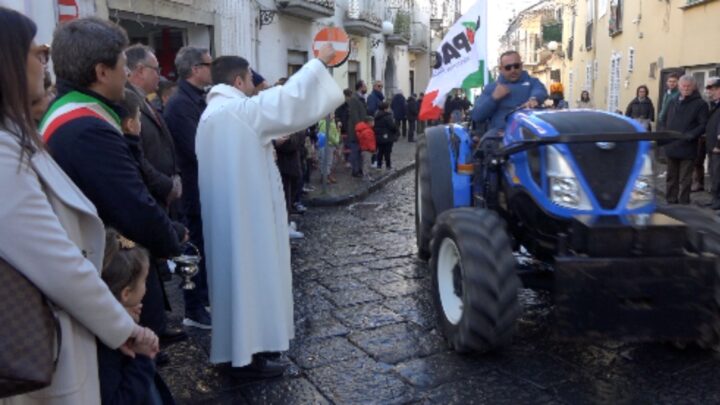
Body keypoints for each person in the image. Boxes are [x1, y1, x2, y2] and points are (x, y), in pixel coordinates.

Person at [0, 8, 145, 403]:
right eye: (38, 52)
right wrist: (124, 327)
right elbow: (58, 261)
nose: (45, 63)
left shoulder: (16, 137)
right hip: (41, 342)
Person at [42, 18, 190, 353]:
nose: (127, 74)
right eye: (123, 65)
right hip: (111, 274)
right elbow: (131, 205)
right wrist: (171, 236)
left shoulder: (76, 112)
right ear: (102, 71)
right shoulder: (85, 127)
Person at [194, 45, 343, 377]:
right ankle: (250, 358)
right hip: (250, 221)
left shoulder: (211, 115)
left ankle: (240, 352)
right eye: (249, 78)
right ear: (237, 80)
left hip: (229, 221)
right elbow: (288, 100)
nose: (252, 85)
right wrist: (319, 63)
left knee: (233, 285)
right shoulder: (238, 112)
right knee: (252, 281)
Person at [163, 46, 213, 330]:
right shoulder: (181, 103)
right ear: (195, 69)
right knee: (191, 251)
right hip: (192, 192)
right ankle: (193, 308)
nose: (211, 68)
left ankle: (201, 300)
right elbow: (197, 148)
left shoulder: (194, 99)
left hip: (200, 189)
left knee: (200, 249)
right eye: (208, 64)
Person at [98, 229, 175, 405]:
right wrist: (142, 358)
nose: (146, 288)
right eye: (144, 281)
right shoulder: (105, 348)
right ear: (126, 293)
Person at [660, 75, 709, 204]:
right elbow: (664, 119)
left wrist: (691, 135)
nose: (686, 88)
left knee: (685, 179)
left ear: (693, 87)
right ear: (679, 86)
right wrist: (664, 135)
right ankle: (670, 201)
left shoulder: (700, 104)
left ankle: (683, 204)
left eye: (688, 86)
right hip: (671, 145)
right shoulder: (672, 101)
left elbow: (703, 125)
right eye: (683, 85)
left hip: (688, 146)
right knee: (671, 177)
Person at [471, 50, 548, 132]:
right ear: (501, 69)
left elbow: (540, 90)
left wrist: (534, 99)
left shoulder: (532, 82)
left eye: (516, 66)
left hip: (530, 136)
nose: (513, 70)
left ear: (521, 66)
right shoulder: (491, 88)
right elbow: (477, 116)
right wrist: (493, 99)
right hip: (500, 137)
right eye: (508, 67)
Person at [704, 77, 720, 209]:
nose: (711, 92)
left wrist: (718, 145)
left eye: (714, 89)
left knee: (718, 173)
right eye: (710, 89)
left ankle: (718, 200)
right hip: (711, 145)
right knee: (713, 172)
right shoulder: (714, 105)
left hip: (717, 147)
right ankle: (715, 198)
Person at [348, 80, 368, 177]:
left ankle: (359, 169)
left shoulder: (361, 98)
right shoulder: (354, 99)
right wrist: (360, 129)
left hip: (362, 129)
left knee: (360, 151)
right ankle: (355, 170)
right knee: (355, 151)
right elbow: (355, 116)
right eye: (365, 86)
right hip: (356, 130)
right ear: (360, 87)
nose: (366, 88)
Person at [374, 102, 398, 170]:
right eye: (388, 108)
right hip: (387, 136)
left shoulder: (376, 116)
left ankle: (379, 165)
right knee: (387, 152)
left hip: (379, 137)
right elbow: (392, 126)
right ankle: (388, 166)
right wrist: (396, 130)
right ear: (385, 109)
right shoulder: (387, 116)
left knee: (380, 151)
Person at [318, 112, 340, 183]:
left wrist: (338, 129)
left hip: (331, 144)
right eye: (332, 114)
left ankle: (327, 175)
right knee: (326, 161)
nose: (334, 116)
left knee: (329, 161)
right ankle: (325, 177)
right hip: (328, 144)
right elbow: (329, 135)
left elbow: (335, 133)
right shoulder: (325, 123)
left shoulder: (331, 122)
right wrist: (336, 142)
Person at [355, 116, 377, 181]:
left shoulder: (363, 130)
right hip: (368, 149)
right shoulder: (368, 131)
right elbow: (369, 141)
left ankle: (366, 175)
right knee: (367, 163)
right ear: (369, 122)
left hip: (364, 148)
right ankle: (366, 176)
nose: (374, 123)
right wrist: (373, 149)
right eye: (373, 122)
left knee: (366, 162)